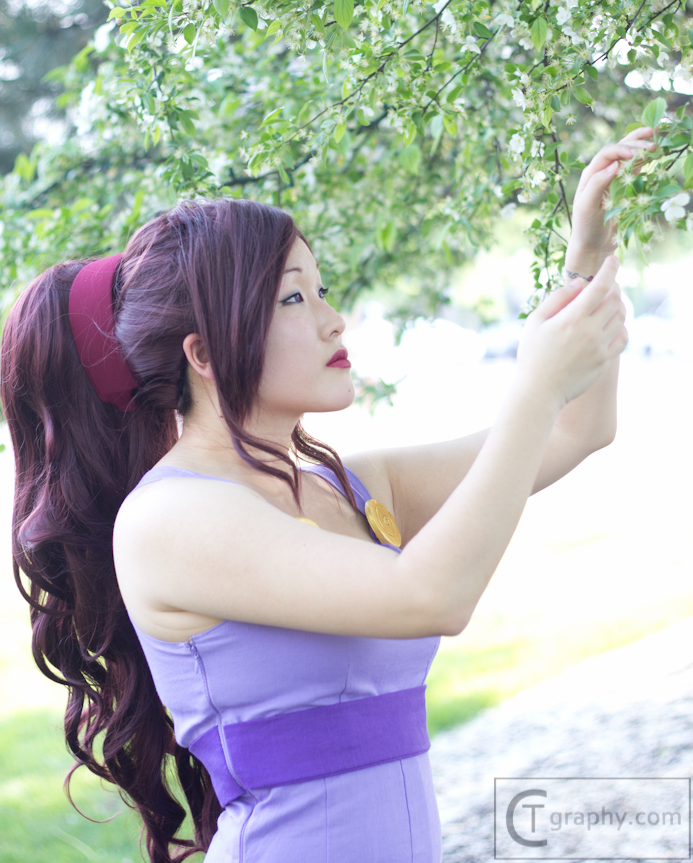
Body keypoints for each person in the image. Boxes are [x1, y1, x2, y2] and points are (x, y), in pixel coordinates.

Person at [0, 127, 653, 863]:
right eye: (292, 297)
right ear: (204, 354)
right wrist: (533, 386)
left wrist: (587, 259)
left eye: (322, 290)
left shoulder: (354, 486)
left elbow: (574, 430)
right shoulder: (168, 517)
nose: (331, 318)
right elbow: (430, 596)